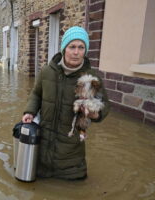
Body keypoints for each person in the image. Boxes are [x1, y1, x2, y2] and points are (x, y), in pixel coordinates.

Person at [21, 26, 110, 180]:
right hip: (42, 148)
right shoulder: (47, 71)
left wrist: (96, 113)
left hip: (71, 158)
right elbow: (36, 93)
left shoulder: (92, 78)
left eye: (81, 47)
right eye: (72, 47)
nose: (76, 52)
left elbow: (105, 106)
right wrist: (30, 111)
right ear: (64, 48)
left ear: (85, 51)